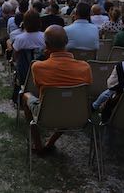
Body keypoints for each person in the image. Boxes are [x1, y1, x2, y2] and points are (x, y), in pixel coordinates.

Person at [21, 25, 92, 153]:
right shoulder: (85, 67)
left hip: (47, 114)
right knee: (67, 102)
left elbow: (38, 88)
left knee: (25, 95)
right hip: (77, 113)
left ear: (46, 45)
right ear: (66, 42)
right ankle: (50, 142)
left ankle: (38, 144)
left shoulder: (38, 67)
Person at [12, 10, 45, 85]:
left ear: (24, 23)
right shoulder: (45, 37)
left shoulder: (19, 39)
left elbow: (15, 56)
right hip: (41, 73)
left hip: (24, 74)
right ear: (39, 22)